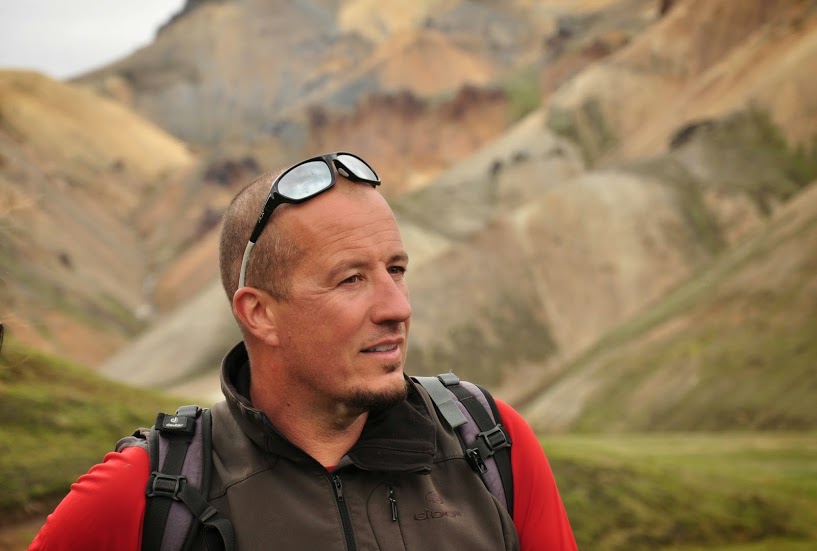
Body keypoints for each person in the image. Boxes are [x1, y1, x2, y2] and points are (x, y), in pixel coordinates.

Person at [29, 152, 577, 550]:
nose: (397, 307)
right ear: (259, 314)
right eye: (350, 279)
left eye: (396, 270)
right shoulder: (150, 492)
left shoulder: (493, 445)